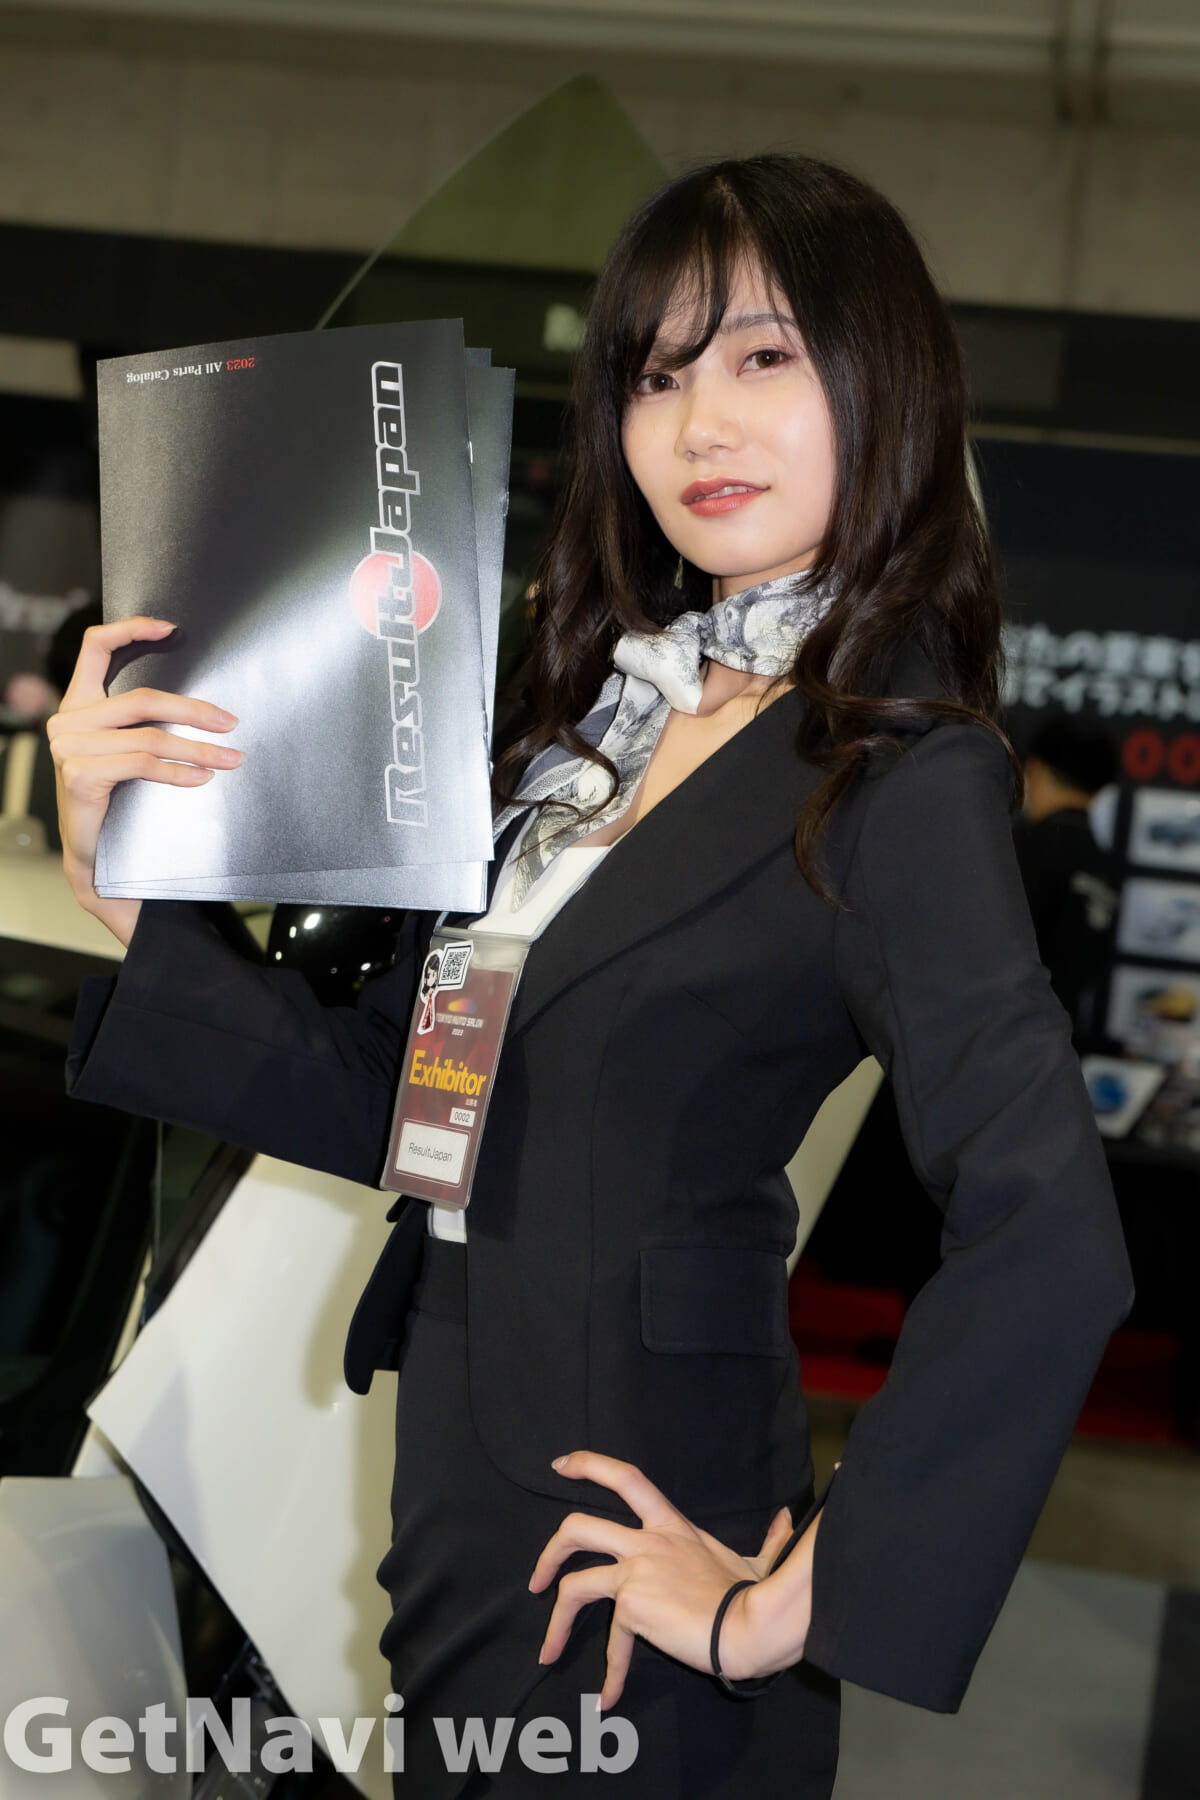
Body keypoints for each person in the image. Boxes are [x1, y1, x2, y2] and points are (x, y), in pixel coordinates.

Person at [51, 155, 1132, 1798]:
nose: (703, 424)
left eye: (763, 357)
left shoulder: (897, 772)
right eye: (657, 372)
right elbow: (409, 1100)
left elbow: (1048, 1226)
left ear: (886, 379)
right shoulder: (591, 723)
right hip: (461, 1470)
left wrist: (791, 1603)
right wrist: (126, 885)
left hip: (636, 1528)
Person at [1013, 715, 1120, 1042]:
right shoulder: (1103, 866)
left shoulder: (1022, 850)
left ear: (1035, 767)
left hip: (1001, 1039)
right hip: (1059, 1044)